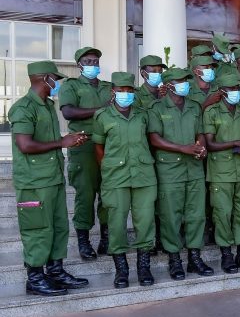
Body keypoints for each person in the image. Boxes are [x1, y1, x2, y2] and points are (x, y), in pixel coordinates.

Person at [10, 61, 90, 296]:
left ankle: (55, 271)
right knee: (38, 229)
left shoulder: (46, 106)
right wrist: (62, 142)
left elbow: (47, 140)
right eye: (54, 79)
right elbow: (24, 145)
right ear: (43, 78)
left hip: (52, 178)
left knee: (58, 227)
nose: (57, 84)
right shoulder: (23, 108)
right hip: (34, 182)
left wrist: (69, 138)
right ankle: (35, 278)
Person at [147, 68, 214, 280]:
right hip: (170, 170)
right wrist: (182, 148)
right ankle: (174, 259)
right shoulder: (156, 108)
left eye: (186, 80)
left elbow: (200, 133)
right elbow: (154, 139)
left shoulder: (194, 107)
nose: (185, 83)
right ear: (169, 85)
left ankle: (195, 257)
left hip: (193, 169)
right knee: (171, 216)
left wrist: (201, 147)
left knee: (196, 215)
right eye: (180, 81)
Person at [93, 72, 157, 289]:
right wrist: (108, 169)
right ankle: (121, 270)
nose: (125, 94)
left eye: (129, 90)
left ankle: (143, 267)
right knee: (117, 224)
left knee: (145, 221)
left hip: (144, 176)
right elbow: (99, 147)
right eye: (121, 90)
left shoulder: (143, 115)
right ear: (113, 91)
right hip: (115, 177)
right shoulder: (103, 116)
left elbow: (150, 140)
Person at [58, 47, 112, 260]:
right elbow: (68, 111)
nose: (92, 65)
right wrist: (101, 109)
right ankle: (84, 240)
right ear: (79, 65)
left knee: (108, 191)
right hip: (83, 144)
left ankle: (106, 237)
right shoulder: (71, 86)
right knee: (86, 194)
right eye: (88, 61)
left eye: (96, 61)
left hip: (108, 144)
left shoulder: (109, 87)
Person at [202, 72, 240, 274]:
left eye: (237, 88)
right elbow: (210, 143)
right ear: (222, 91)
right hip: (220, 172)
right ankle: (227, 254)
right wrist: (236, 143)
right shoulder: (211, 112)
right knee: (222, 214)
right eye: (231, 89)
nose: (235, 92)